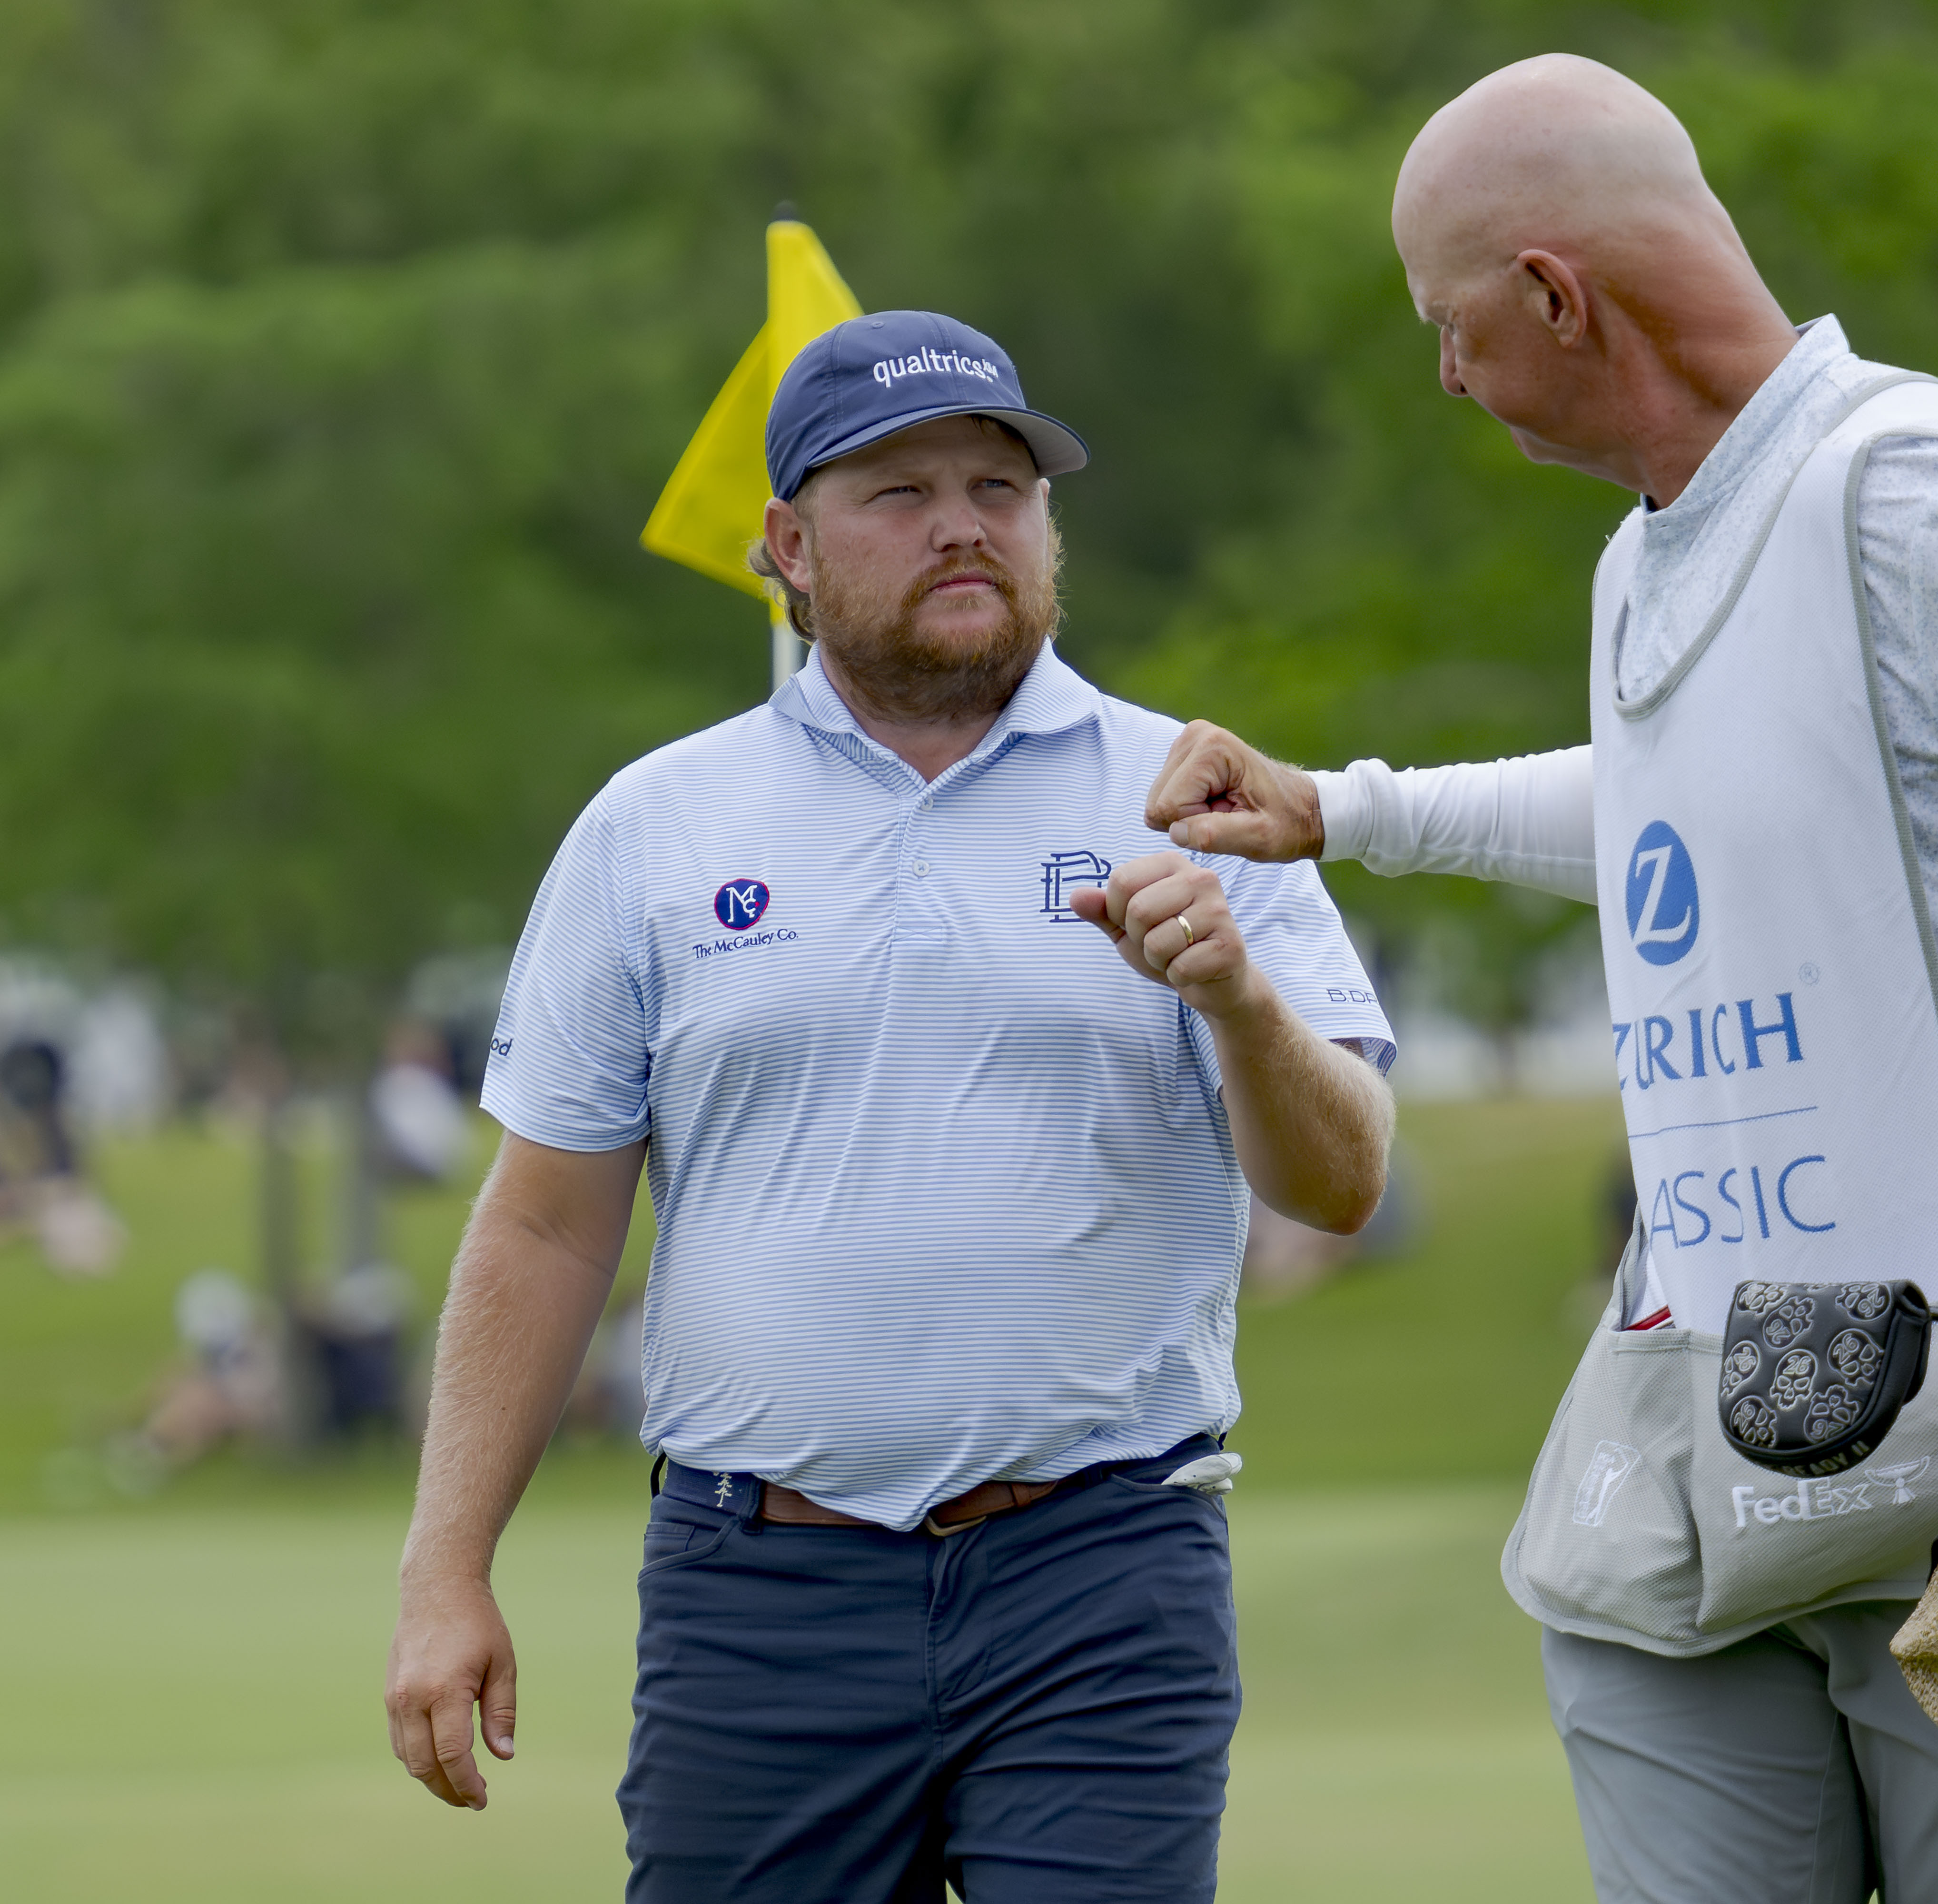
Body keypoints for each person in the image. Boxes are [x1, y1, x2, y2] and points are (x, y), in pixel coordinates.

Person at [1146, 57, 1938, 1904]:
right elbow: (1664, 808)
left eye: (1449, 330)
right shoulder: (1641, 558)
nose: (1446, 380)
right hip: (1711, 1400)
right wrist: (1345, 809)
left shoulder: (1912, 488)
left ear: (1553, 295)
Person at [381, 309, 1397, 1903]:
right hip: (758, 1586)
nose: (962, 525)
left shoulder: (1195, 794)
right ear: (784, 545)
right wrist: (445, 1572)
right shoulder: (654, 826)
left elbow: (1339, 1184)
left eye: (1000, 486)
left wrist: (1240, 1005)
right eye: (899, 493)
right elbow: (544, 1226)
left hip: (1101, 1569)